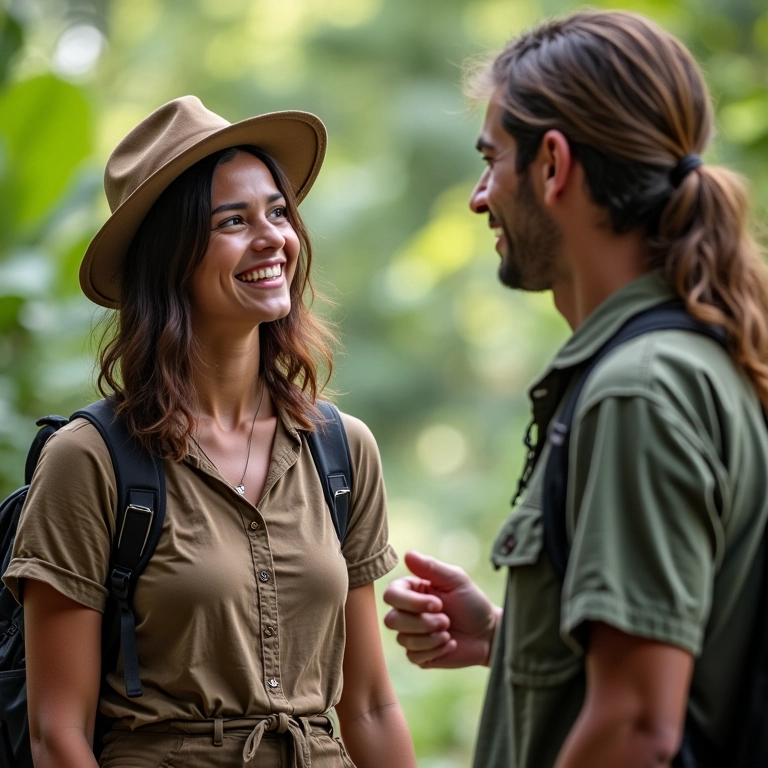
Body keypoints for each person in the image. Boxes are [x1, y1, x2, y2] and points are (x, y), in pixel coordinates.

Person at [383, 10, 768, 768]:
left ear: (553, 165)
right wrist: (507, 637)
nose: (480, 197)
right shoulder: (702, 363)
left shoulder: (640, 391)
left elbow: (637, 728)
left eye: (492, 159)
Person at [3, 96, 417, 768]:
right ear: (170, 255)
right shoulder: (90, 461)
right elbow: (59, 734)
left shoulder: (341, 451)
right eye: (233, 221)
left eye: (277, 213)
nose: (273, 237)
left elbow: (369, 705)